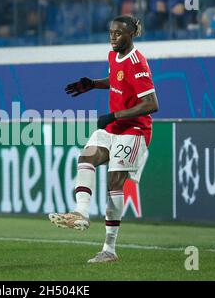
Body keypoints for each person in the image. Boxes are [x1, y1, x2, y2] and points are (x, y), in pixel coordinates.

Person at [48, 15, 159, 263]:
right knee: (86, 157)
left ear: (130, 34)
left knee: (114, 183)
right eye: (110, 32)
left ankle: (109, 249)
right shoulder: (113, 56)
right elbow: (118, 81)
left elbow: (152, 104)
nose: (112, 37)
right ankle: (81, 212)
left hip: (135, 131)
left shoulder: (137, 62)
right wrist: (93, 84)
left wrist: (114, 114)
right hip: (114, 127)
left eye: (118, 33)